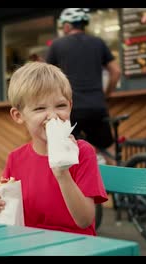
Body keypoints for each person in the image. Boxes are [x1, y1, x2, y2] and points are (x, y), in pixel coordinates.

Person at [0, 62, 108, 236]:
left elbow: (85, 221)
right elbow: (11, 219)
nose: (52, 116)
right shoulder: (15, 159)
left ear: (70, 106)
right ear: (18, 115)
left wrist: (62, 174)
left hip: (77, 246)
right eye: (39, 108)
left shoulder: (83, 152)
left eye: (60, 106)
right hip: (30, 244)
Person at [46, 8, 122, 164]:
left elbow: (47, 77)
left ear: (67, 26)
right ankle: (117, 187)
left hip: (70, 109)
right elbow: (116, 71)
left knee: (70, 155)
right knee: (109, 150)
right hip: (96, 106)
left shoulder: (57, 45)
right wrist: (106, 95)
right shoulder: (98, 43)